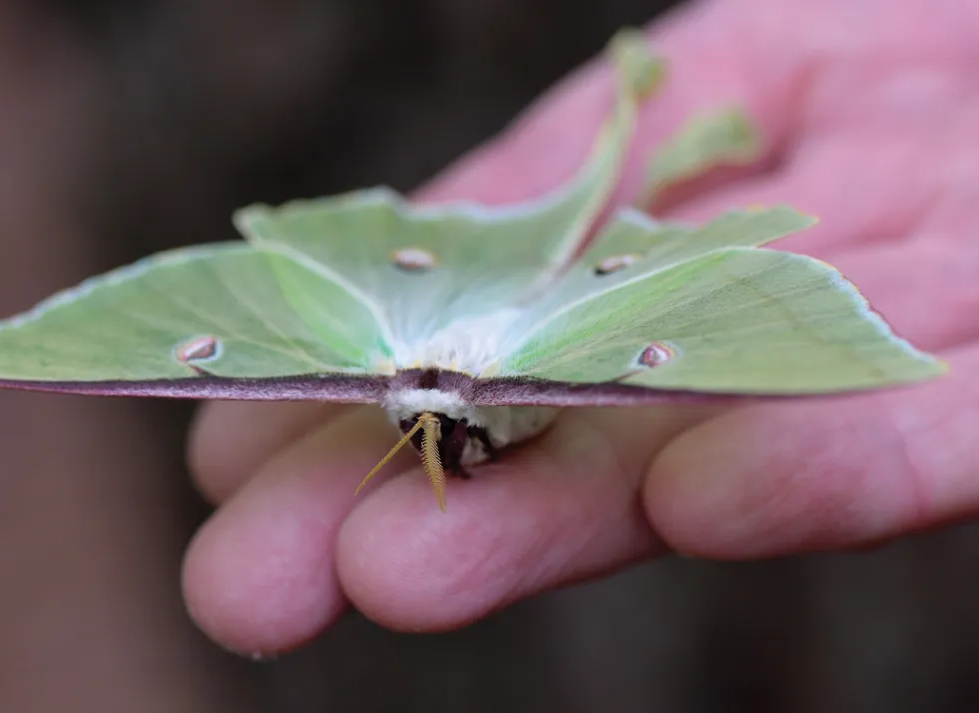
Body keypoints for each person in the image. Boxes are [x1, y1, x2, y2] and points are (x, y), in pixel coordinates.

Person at [181, 0, 979, 656]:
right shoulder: (436, 397)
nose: (429, 434)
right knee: (606, 212)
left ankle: (653, 117)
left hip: (513, 315)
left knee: (619, 201)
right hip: (489, 305)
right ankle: (651, 122)